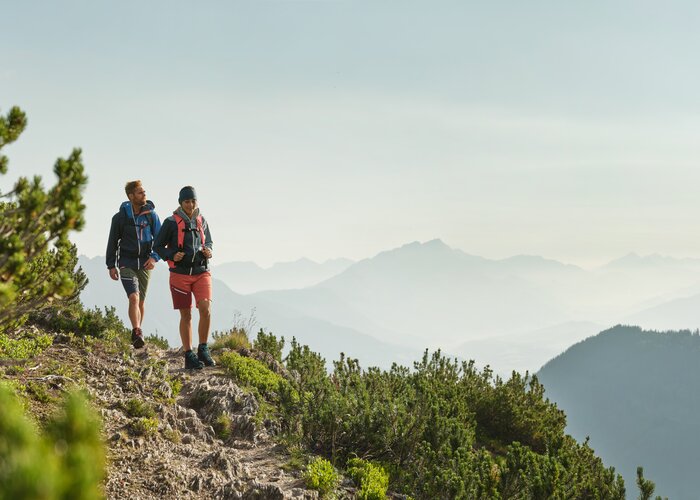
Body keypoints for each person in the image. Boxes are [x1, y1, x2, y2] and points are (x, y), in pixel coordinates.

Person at [153, 186, 215, 369]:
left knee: (205, 308)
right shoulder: (170, 222)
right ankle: (189, 355)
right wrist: (172, 255)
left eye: (193, 200)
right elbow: (158, 247)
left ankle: (203, 349)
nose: (190, 204)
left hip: (202, 271)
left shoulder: (202, 221)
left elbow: (209, 241)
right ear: (180, 202)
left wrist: (209, 250)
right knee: (186, 314)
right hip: (179, 274)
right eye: (187, 201)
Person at [106, 180, 162, 348]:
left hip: (145, 263)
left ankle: (137, 335)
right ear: (131, 196)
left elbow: (159, 240)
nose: (144, 195)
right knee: (133, 297)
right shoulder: (120, 217)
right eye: (140, 193)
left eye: (144, 192)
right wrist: (111, 265)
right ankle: (137, 330)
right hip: (126, 262)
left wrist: (154, 257)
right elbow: (112, 242)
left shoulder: (151, 215)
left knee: (141, 302)